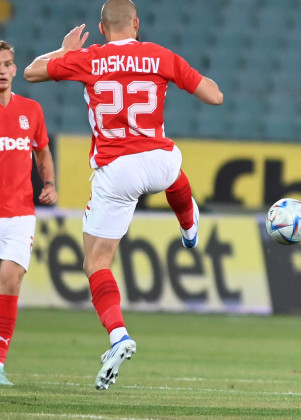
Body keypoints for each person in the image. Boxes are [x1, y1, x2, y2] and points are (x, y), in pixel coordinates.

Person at [24, 0, 223, 390]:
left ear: (101, 29)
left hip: (116, 171)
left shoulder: (90, 58)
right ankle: (189, 225)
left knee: (96, 261)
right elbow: (214, 96)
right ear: (136, 24)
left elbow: (31, 73)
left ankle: (118, 335)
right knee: (174, 171)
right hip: (160, 159)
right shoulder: (158, 55)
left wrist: (66, 51)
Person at [0, 40, 59, 386]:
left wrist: (49, 182)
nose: (1, 71)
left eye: (7, 64)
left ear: (13, 68)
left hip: (20, 213)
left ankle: (0, 362)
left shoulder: (31, 111)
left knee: (10, 279)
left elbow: (42, 153)